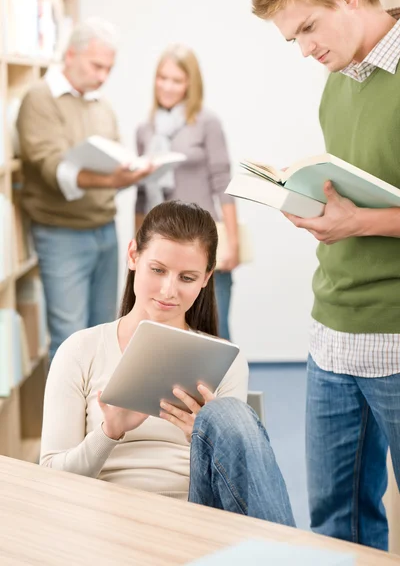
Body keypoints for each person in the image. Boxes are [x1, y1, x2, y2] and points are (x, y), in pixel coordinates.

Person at [252, 0, 400, 551]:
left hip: (395, 332)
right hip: (332, 335)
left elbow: (367, 213)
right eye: (294, 39)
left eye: (309, 28)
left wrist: (357, 223)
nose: (306, 49)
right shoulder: (338, 80)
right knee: (334, 523)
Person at [40, 200, 294, 526]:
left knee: (231, 417)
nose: (168, 290)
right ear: (133, 256)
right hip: (104, 513)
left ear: (206, 279)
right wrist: (109, 432)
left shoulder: (225, 360)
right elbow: (48, 477)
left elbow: (238, 483)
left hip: (193, 514)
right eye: (157, 270)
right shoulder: (80, 350)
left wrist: (206, 437)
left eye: (187, 278)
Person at [17, 18, 152, 362]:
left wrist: (132, 171)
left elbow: (115, 155)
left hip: (104, 231)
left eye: (109, 68)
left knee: (104, 335)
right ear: (71, 55)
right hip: (61, 233)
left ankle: (97, 417)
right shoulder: (39, 99)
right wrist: (111, 180)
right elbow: (52, 168)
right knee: (69, 340)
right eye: (96, 66)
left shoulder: (99, 103)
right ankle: (68, 418)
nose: (103, 76)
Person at [135, 44, 239, 341]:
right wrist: (140, 248)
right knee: (162, 332)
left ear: (191, 84)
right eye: (162, 78)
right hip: (161, 246)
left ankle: (223, 388)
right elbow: (142, 195)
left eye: (176, 80)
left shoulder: (207, 123)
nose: (167, 86)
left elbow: (223, 182)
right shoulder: (146, 129)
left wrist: (232, 242)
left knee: (213, 331)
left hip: (200, 239)